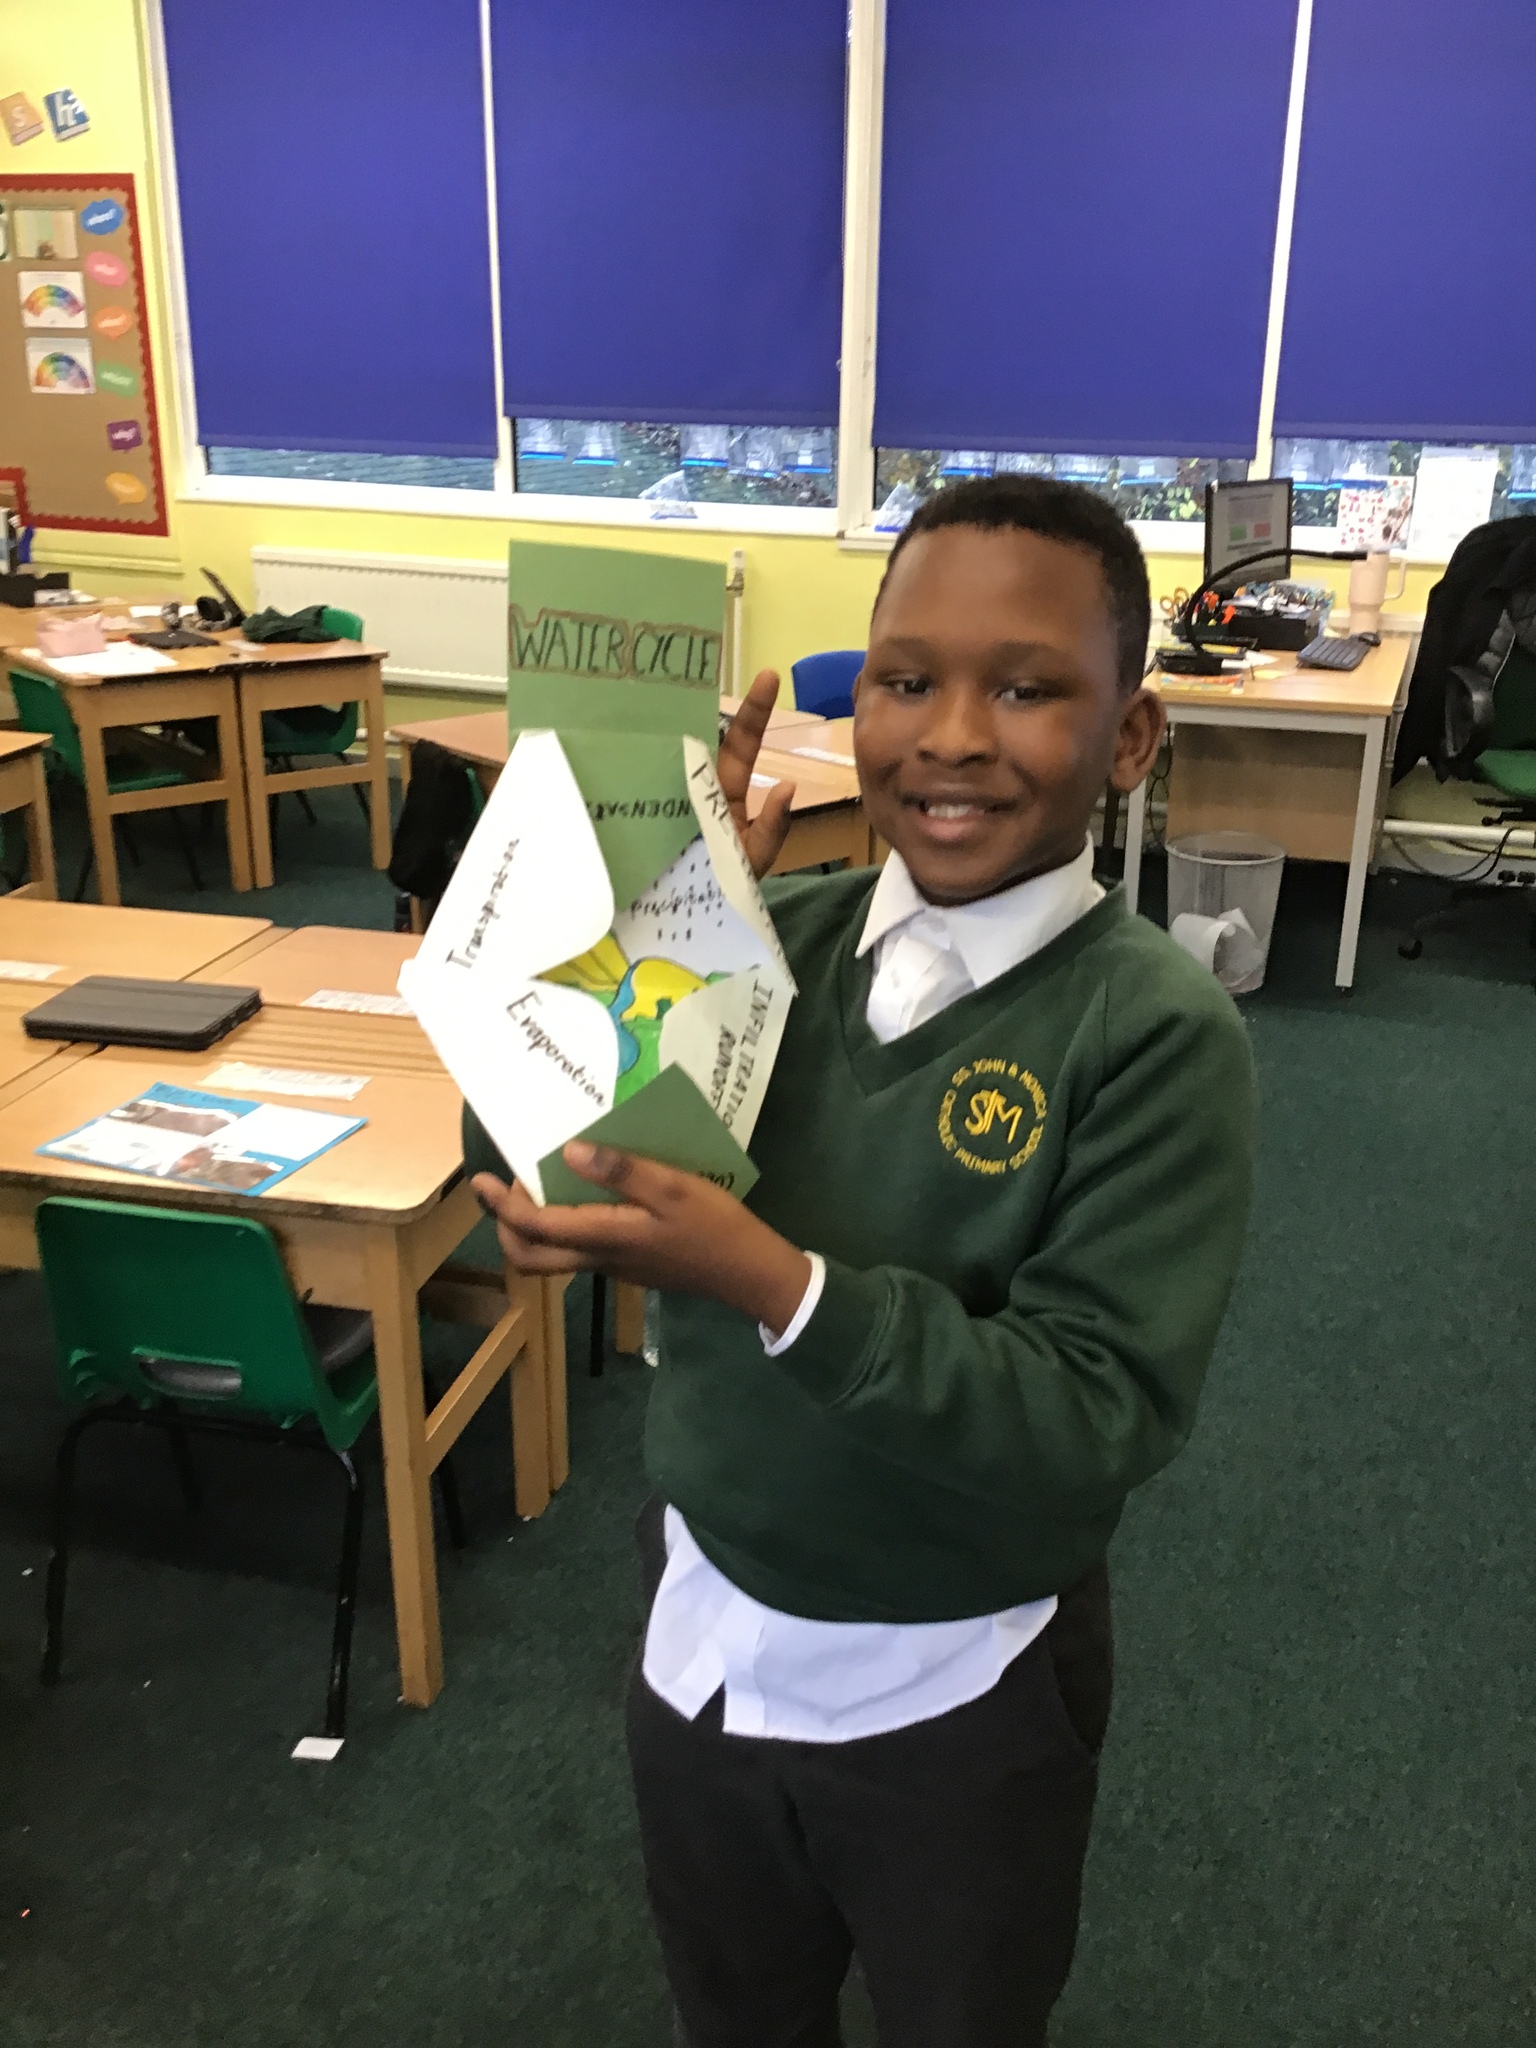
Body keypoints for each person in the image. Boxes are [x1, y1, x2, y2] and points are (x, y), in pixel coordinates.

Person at [472, 475, 1257, 2048]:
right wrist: (640, 924)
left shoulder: (1157, 1034)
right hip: (705, 1625)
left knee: (959, 2012)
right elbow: (563, 1152)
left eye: (1025, 690)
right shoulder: (773, 940)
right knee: (736, 2006)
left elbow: (1094, 1407)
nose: (951, 736)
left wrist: (781, 1286)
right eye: (905, 680)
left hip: (956, 1681)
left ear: (1130, 738)